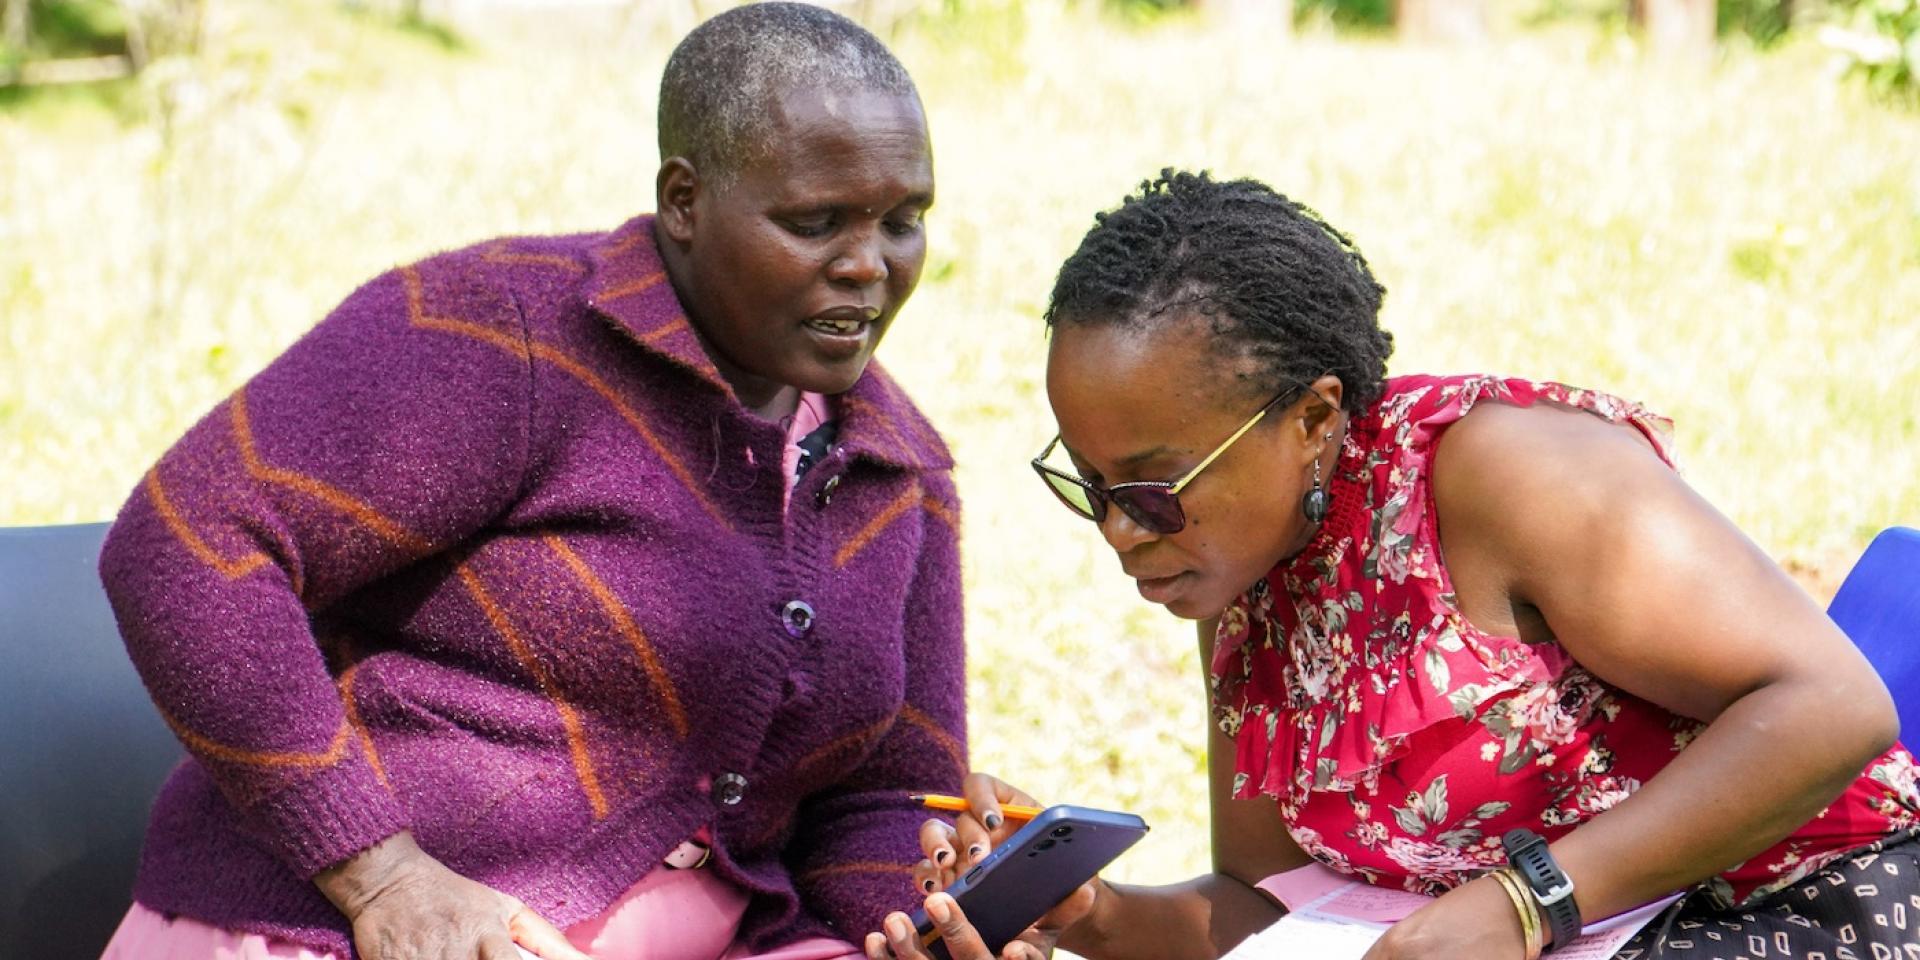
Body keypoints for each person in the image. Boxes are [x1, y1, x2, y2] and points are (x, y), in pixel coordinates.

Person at [865, 171, 1920, 960]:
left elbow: (1835, 705)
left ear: (1315, 418)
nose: (1119, 532)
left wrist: (1523, 904)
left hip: (1797, 903)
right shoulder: (1236, 567)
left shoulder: (1509, 478)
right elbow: (1278, 905)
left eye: (1151, 487)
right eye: (1090, 486)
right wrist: (1088, 914)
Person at [95, 5, 968, 959]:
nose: (868, 265)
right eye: (816, 223)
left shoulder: (895, 465)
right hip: (349, 924)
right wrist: (381, 873)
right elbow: (187, 540)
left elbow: (890, 794)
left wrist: (914, 917)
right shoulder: (500, 335)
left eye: (903, 221)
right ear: (684, 200)